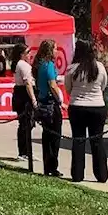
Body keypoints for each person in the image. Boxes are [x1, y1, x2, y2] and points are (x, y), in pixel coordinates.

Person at [63, 40, 108, 183]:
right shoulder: (99, 67)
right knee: (97, 141)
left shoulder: (72, 68)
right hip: (97, 106)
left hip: (77, 106)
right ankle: (101, 175)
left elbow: (68, 88)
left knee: (79, 140)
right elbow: (103, 85)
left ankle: (77, 174)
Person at [34, 40, 65, 177]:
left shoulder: (39, 65)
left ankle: (48, 166)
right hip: (51, 104)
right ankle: (53, 166)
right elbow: (52, 84)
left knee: (46, 136)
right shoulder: (48, 65)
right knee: (54, 136)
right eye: (55, 49)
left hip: (43, 102)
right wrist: (59, 100)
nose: (56, 51)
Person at [11, 43, 36, 160]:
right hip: (23, 96)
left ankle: (26, 151)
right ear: (22, 54)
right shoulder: (23, 65)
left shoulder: (21, 64)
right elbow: (28, 83)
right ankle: (24, 152)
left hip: (20, 94)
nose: (30, 55)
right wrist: (33, 99)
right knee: (25, 124)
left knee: (26, 124)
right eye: (27, 52)